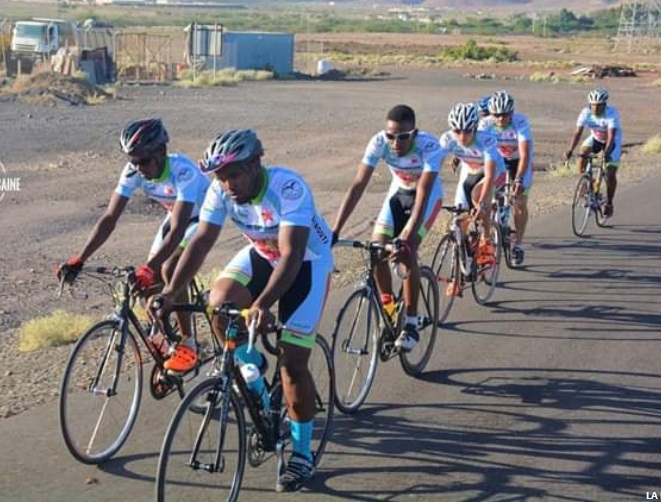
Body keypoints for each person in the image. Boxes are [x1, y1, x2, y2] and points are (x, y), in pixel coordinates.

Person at [150, 129, 333, 493]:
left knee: (292, 364)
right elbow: (202, 240)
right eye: (220, 177)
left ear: (255, 164)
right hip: (263, 254)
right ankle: (253, 374)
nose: (227, 184)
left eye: (234, 174)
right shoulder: (220, 191)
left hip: (307, 263)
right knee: (218, 306)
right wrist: (170, 291)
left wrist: (262, 304)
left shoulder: (288, 188)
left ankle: (301, 455)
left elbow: (292, 255)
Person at [56, 118, 210, 373]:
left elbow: (179, 230)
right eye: (133, 161)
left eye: (144, 161)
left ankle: (188, 343)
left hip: (201, 219)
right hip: (175, 218)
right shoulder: (133, 171)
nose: (138, 168)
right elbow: (110, 218)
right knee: (146, 285)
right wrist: (80, 258)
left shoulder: (184, 172)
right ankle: (166, 339)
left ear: (161, 151)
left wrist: (150, 267)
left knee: (170, 268)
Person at [331, 104, 445, 352]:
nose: (395, 143)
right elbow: (358, 185)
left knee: (407, 250)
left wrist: (406, 235)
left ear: (414, 133)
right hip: (399, 193)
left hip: (427, 197)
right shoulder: (378, 143)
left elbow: (423, 191)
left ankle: (411, 322)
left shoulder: (430, 147)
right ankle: (390, 308)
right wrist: (335, 230)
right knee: (377, 249)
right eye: (390, 136)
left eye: (403, 137)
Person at [439, 102, 506, 297]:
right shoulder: (448, 139)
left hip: (493, 173)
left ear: (475, 128)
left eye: (467, 131)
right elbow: (434, 166)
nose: (462, 136)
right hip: (470, 172)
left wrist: (483, 202)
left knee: (478, 197)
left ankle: (487, 239)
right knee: (459, 223)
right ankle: (458, 276)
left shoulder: (487, 140)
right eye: (457, 131)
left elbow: (490, 175)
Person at [479, 90, 534, 265]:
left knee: (519, 201)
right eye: (496, 115)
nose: (501, 119)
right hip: (499, 161)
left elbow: (525, 155)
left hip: (519, 161)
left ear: (512, 112)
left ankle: (518, 245)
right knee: (487, 193)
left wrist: (519, 179)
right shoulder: (485, 124)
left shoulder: (520, 122)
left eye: (505, 115)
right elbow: (478, 149)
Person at [564, 87, 622, 218]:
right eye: (593, 105)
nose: (595, 108)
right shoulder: (585, 113)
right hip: (595, 138)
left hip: (612, 141)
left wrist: (606, 153)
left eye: (599, 106)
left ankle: (609, 203)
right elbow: (578, 133)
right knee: (583, 152)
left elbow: (611, 136)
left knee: (610, 173)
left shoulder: (611, 113)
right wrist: (570, 149)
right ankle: (588, 184)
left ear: (604, 105)